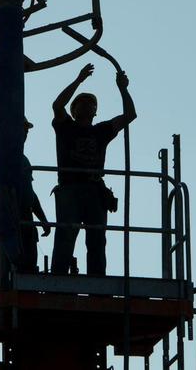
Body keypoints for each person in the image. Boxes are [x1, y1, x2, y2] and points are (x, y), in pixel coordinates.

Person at [50, 63, 136, 276]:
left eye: (90, 103)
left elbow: (130, 115)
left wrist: (123, 89)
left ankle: (97, 281)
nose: (87, 105)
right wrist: (78, 80)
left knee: (97, 239)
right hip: (70, 189)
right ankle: (58, 279)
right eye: (82, 102)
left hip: (94, 190)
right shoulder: (66, 127)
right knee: (66, 236)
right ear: (74, 110)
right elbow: (57, 105)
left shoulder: (101, 131)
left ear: (95, 111)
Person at [0, 120, 51, 282]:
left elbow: (30, 194)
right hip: (7, 213)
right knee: (5, 260)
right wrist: (1, 150)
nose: (25, 134)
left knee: (29, 261)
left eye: (26, 131)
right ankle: (3, 287)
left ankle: (29, 286)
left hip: (26, 216)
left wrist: (43, 219)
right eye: (22, 130)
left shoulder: (24, 160)